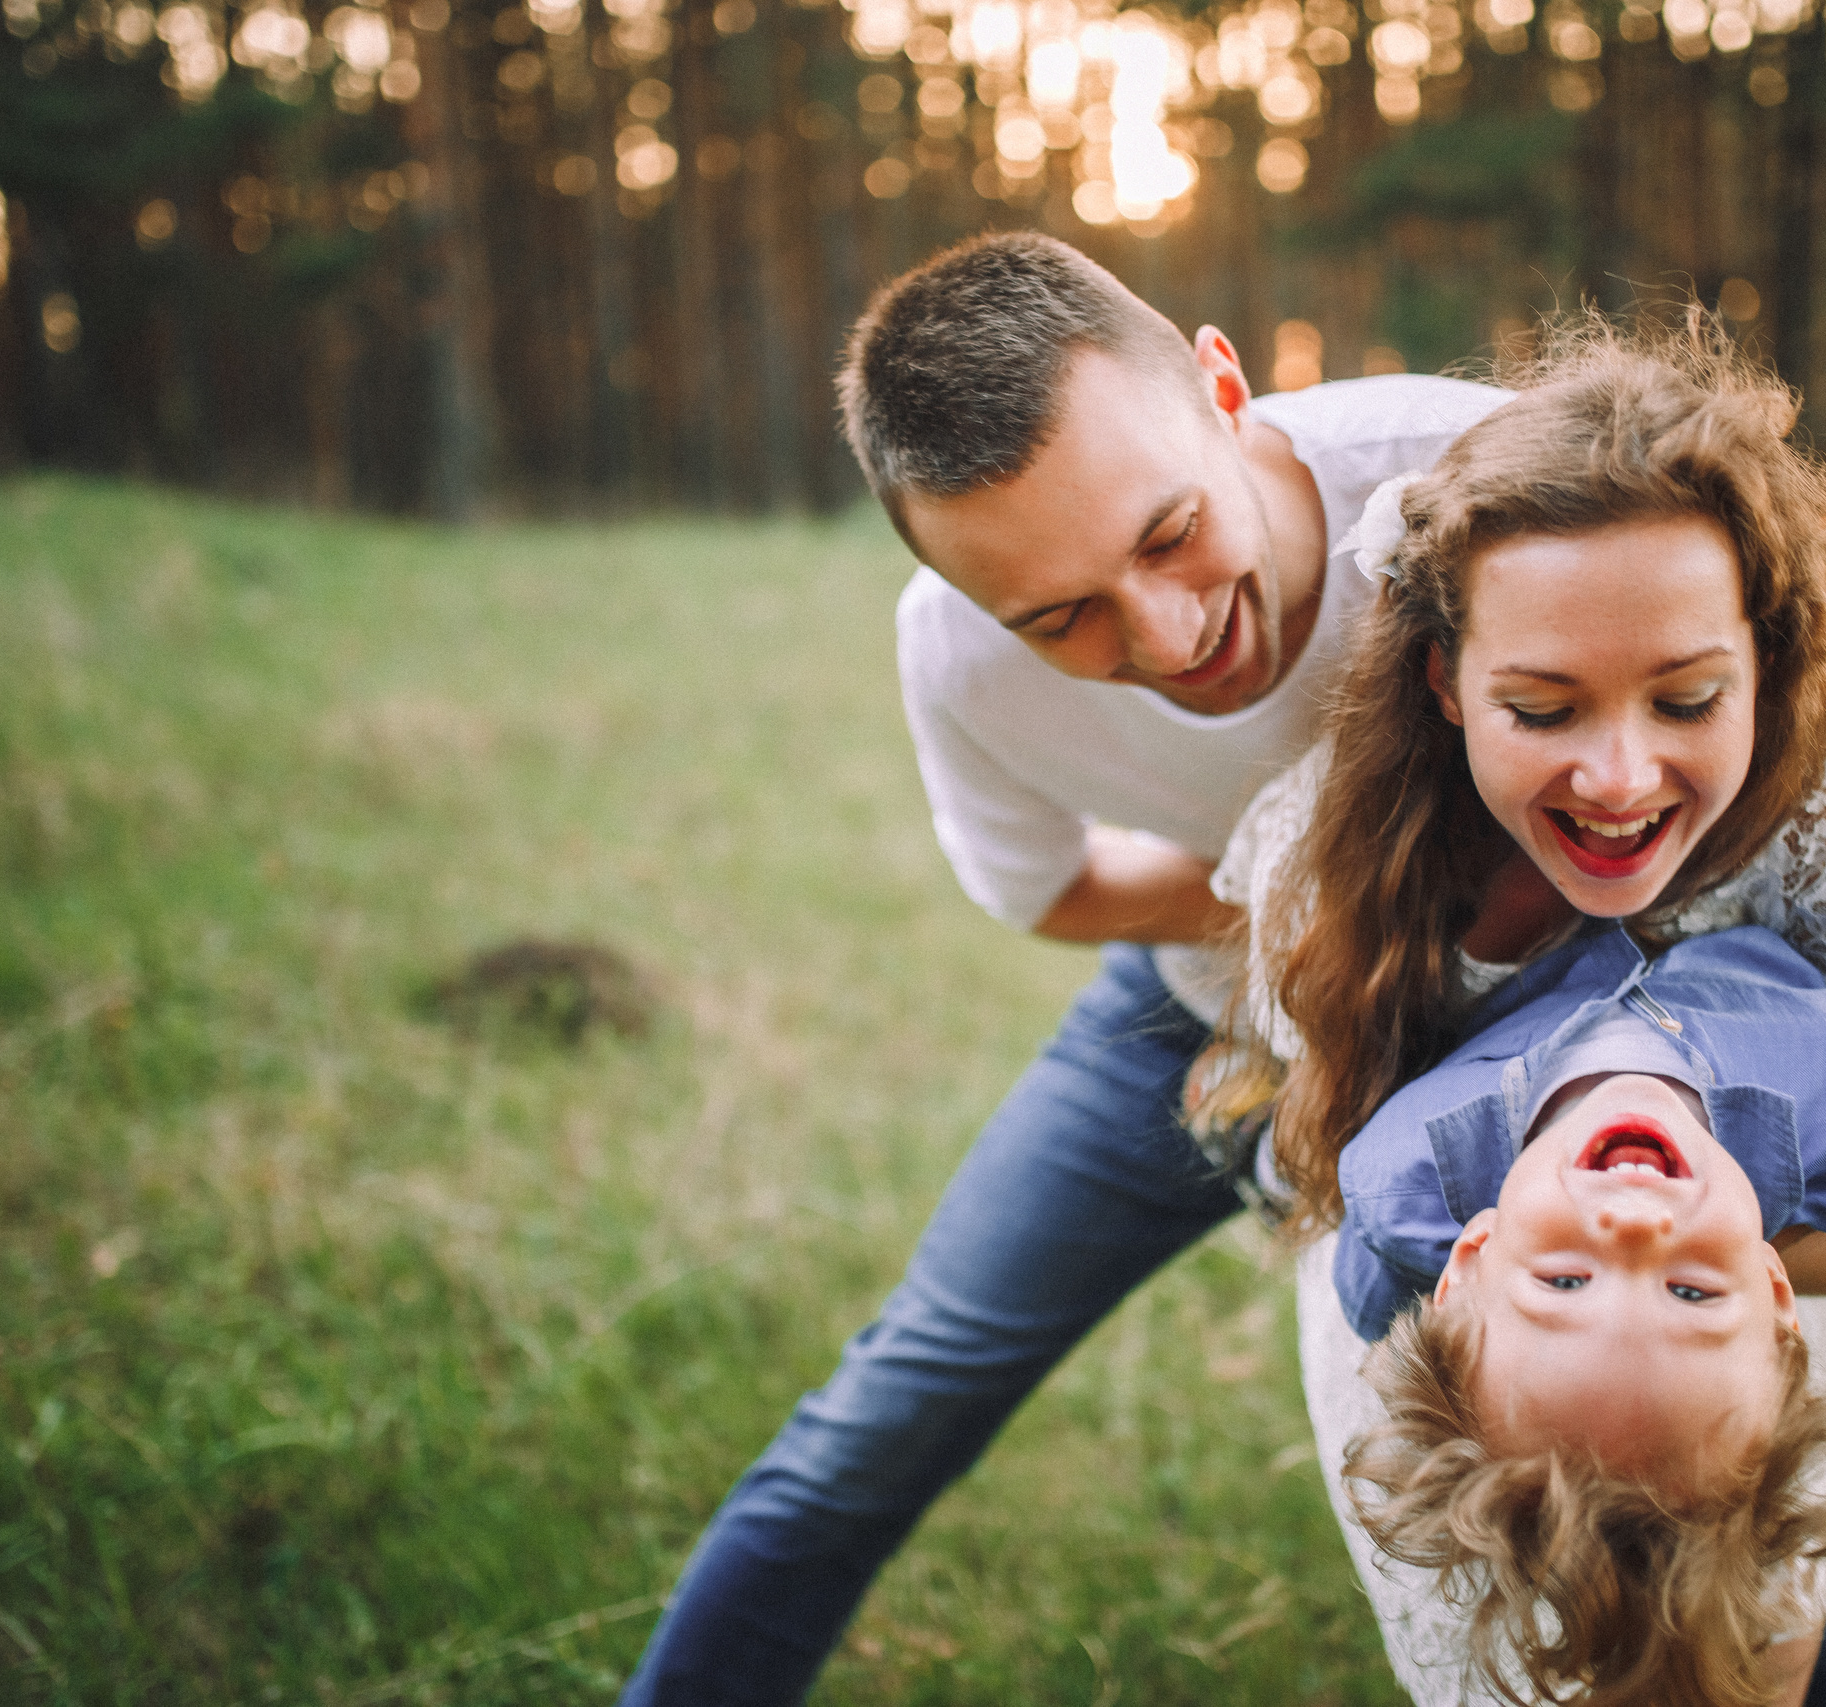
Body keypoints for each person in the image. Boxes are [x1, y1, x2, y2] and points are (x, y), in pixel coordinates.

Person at [619, 231, 1515, 1705]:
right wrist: (1294, 904)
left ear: (1228, 389)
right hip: (1187, 1023)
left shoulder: (1465, 483)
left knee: (1638, 1432)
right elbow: (1049, 887)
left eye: (1168, 534)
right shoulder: (954, 657)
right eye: (1058, 616)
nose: (1165, 635)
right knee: (883, 1414)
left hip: (1497, 1032)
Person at [1201, 316, 1826, 1702]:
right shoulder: (1331, 880)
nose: (1620, 776)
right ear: (1449, 683)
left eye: (1686, 696)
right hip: (1450, 1318)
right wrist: (1554, 1281)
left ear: (1765, 655)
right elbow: (1354, 1204)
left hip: (1762, 1259)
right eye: (1544, 707)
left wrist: (1703, 1292)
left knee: (1739, 1619)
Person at [1320, 901, 1826, 1707]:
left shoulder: (1405, 1173)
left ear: (1469, 1262)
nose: (1635, 1226)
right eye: (1690, 1290)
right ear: (1774, 1288)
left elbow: (1369, 1287)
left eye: (1564, 1281)